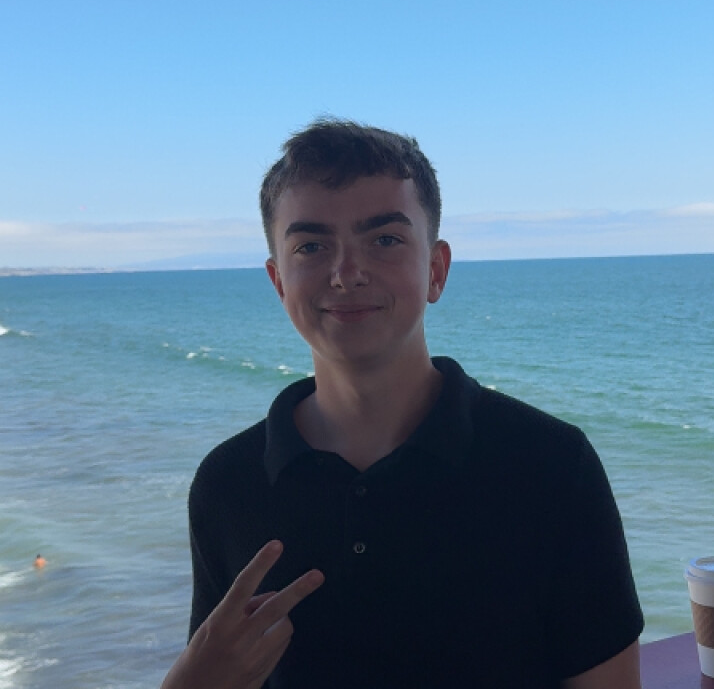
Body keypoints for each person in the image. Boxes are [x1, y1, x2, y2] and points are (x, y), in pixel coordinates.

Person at [161, 119, 644, 689]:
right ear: (278, 281)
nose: (346, 274)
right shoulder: (228, 483)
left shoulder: (552, 465)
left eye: (385, 239)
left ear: (435, 269)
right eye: (311, 246)